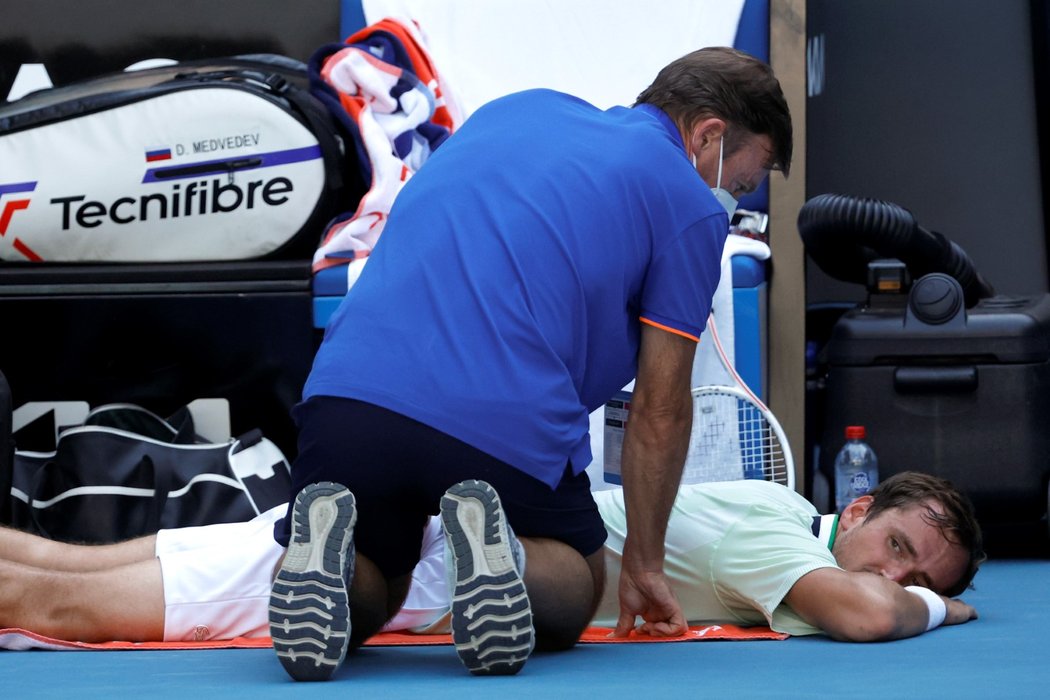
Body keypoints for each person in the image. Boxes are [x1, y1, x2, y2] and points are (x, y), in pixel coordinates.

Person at [266, 44, 793, 681]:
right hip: (499, 417)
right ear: (707, 133)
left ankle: (331, 558)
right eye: (739, 182)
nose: (731, 199)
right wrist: (645, 567)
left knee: (382, 587)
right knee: (577, 581)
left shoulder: (515, 110)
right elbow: (661, 407)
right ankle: (507, 559)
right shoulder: (689, 201)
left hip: (346, 392)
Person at [0, 472, 984, 646]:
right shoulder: (774, 534)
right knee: (71, 604)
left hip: (443, 536)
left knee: (68, 569)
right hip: (439, 565)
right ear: (853, 509)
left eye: (919, 578)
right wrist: (942, 612)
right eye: (895, 548)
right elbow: (859, 616)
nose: (891, 579)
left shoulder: (771, 512)